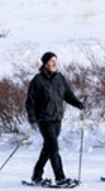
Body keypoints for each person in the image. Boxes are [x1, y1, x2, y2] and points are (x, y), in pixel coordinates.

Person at [25, 51, 85, 186]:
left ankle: (37, 174)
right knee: (53, 148)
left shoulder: (60, 78)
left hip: (57, 118)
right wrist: (32, 120)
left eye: (56, 61)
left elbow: (68, 95)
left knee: (48, 148)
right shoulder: (38, 80)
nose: (54, 64)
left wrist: (79, 104)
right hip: (44, 119)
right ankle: (60, 177)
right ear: (45, 63)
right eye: (51, 61)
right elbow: (30, 102)